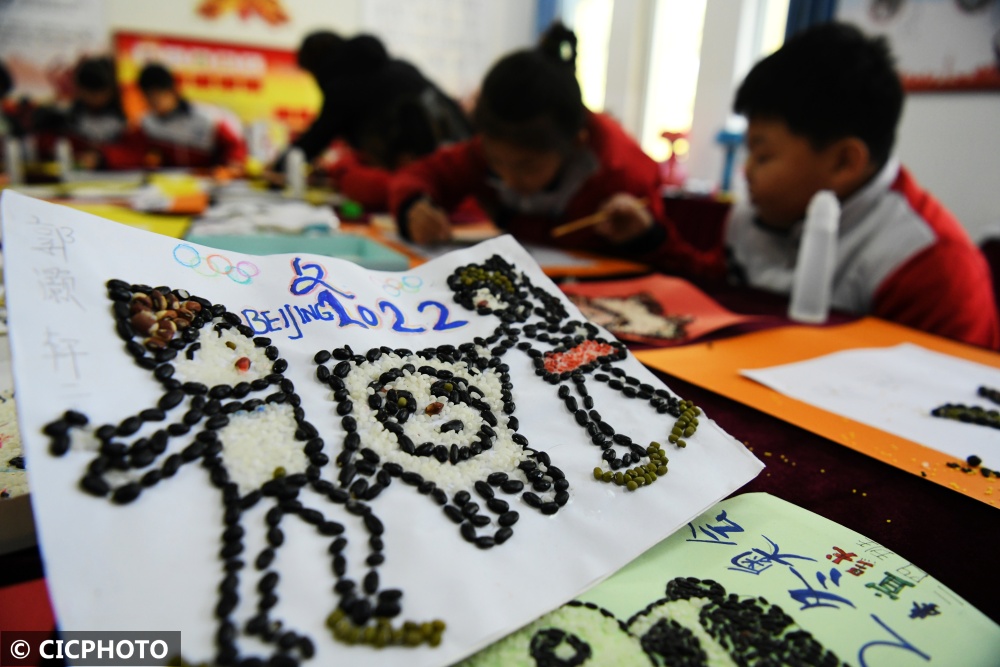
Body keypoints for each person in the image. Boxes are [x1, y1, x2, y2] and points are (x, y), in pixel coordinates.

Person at [719, 21, 998, 349]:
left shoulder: (930, 267)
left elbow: (946, 388)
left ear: (844, 162)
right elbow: (719, 284)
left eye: (763, 156)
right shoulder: (761, 211)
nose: (746, 171)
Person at [389, 23, 679, 259]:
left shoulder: (622, 174)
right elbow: (418, 175)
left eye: (526, 166)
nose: (508, 177)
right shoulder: (492, 149)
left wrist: (645, 237)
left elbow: (679, 264)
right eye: (497, 162)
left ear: (576, 143)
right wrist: (413, 206)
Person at [272, 31, 471, 209]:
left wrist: (276, 169)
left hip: (425, 183)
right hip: (465, 164)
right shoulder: (399, 67)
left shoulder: (343, 86)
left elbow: (315, 139)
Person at [137, 63, 245, 170]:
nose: (152, 103)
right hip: (170, 182)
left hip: (208, 180)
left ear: (173, 91)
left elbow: (234, 147)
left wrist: (231, 166)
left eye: (156, 97)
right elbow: (133, 152)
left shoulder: (206, 117)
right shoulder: (148, 123)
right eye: (147, 98)